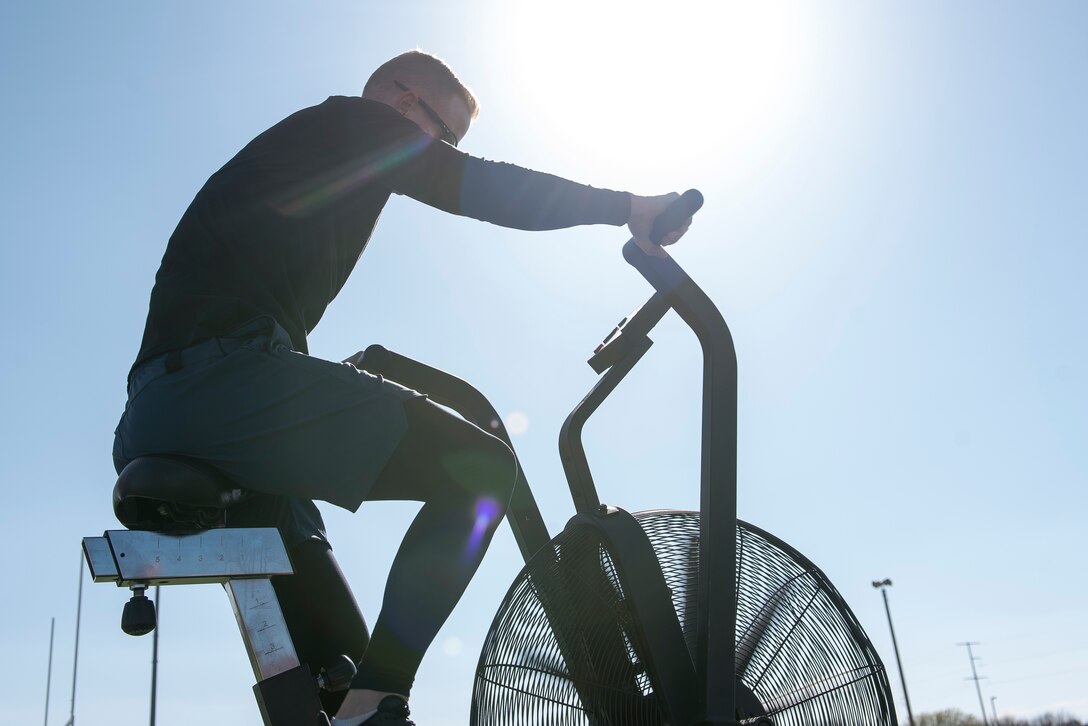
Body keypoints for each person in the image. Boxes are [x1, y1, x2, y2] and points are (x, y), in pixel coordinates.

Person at [113, 50, 690, 726]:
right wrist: (627, 208)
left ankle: (349, 700)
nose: (435, 151)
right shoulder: (356, 124)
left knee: (341, 660)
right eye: (440, 135)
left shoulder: (322, 165)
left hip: (178, 407)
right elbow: (481, 188)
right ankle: (375, 703)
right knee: (481, 472)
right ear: (403, 98)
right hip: (217, 385)